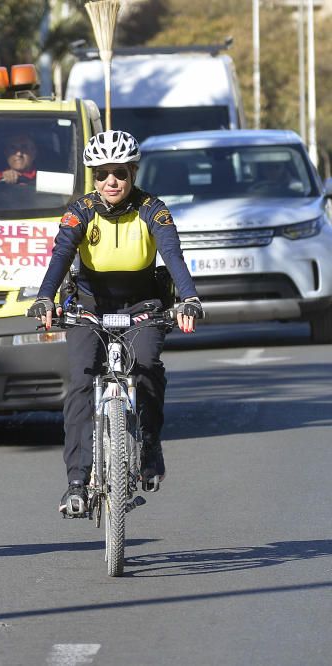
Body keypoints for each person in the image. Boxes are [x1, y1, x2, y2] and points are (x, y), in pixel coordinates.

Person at [26, 130, 203, 517]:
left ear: (133, 172)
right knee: (80, 378)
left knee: (147, 367)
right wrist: (45, 298)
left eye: (119, 173)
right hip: (90, 304)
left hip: (143, 302)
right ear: (92, 176)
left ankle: (150, 447)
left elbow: (173, 255)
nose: (111, 182)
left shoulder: (153, 209)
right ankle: (76, 483)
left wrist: (188, 298)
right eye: (102, 174)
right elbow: (60, 256)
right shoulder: (80, 210)